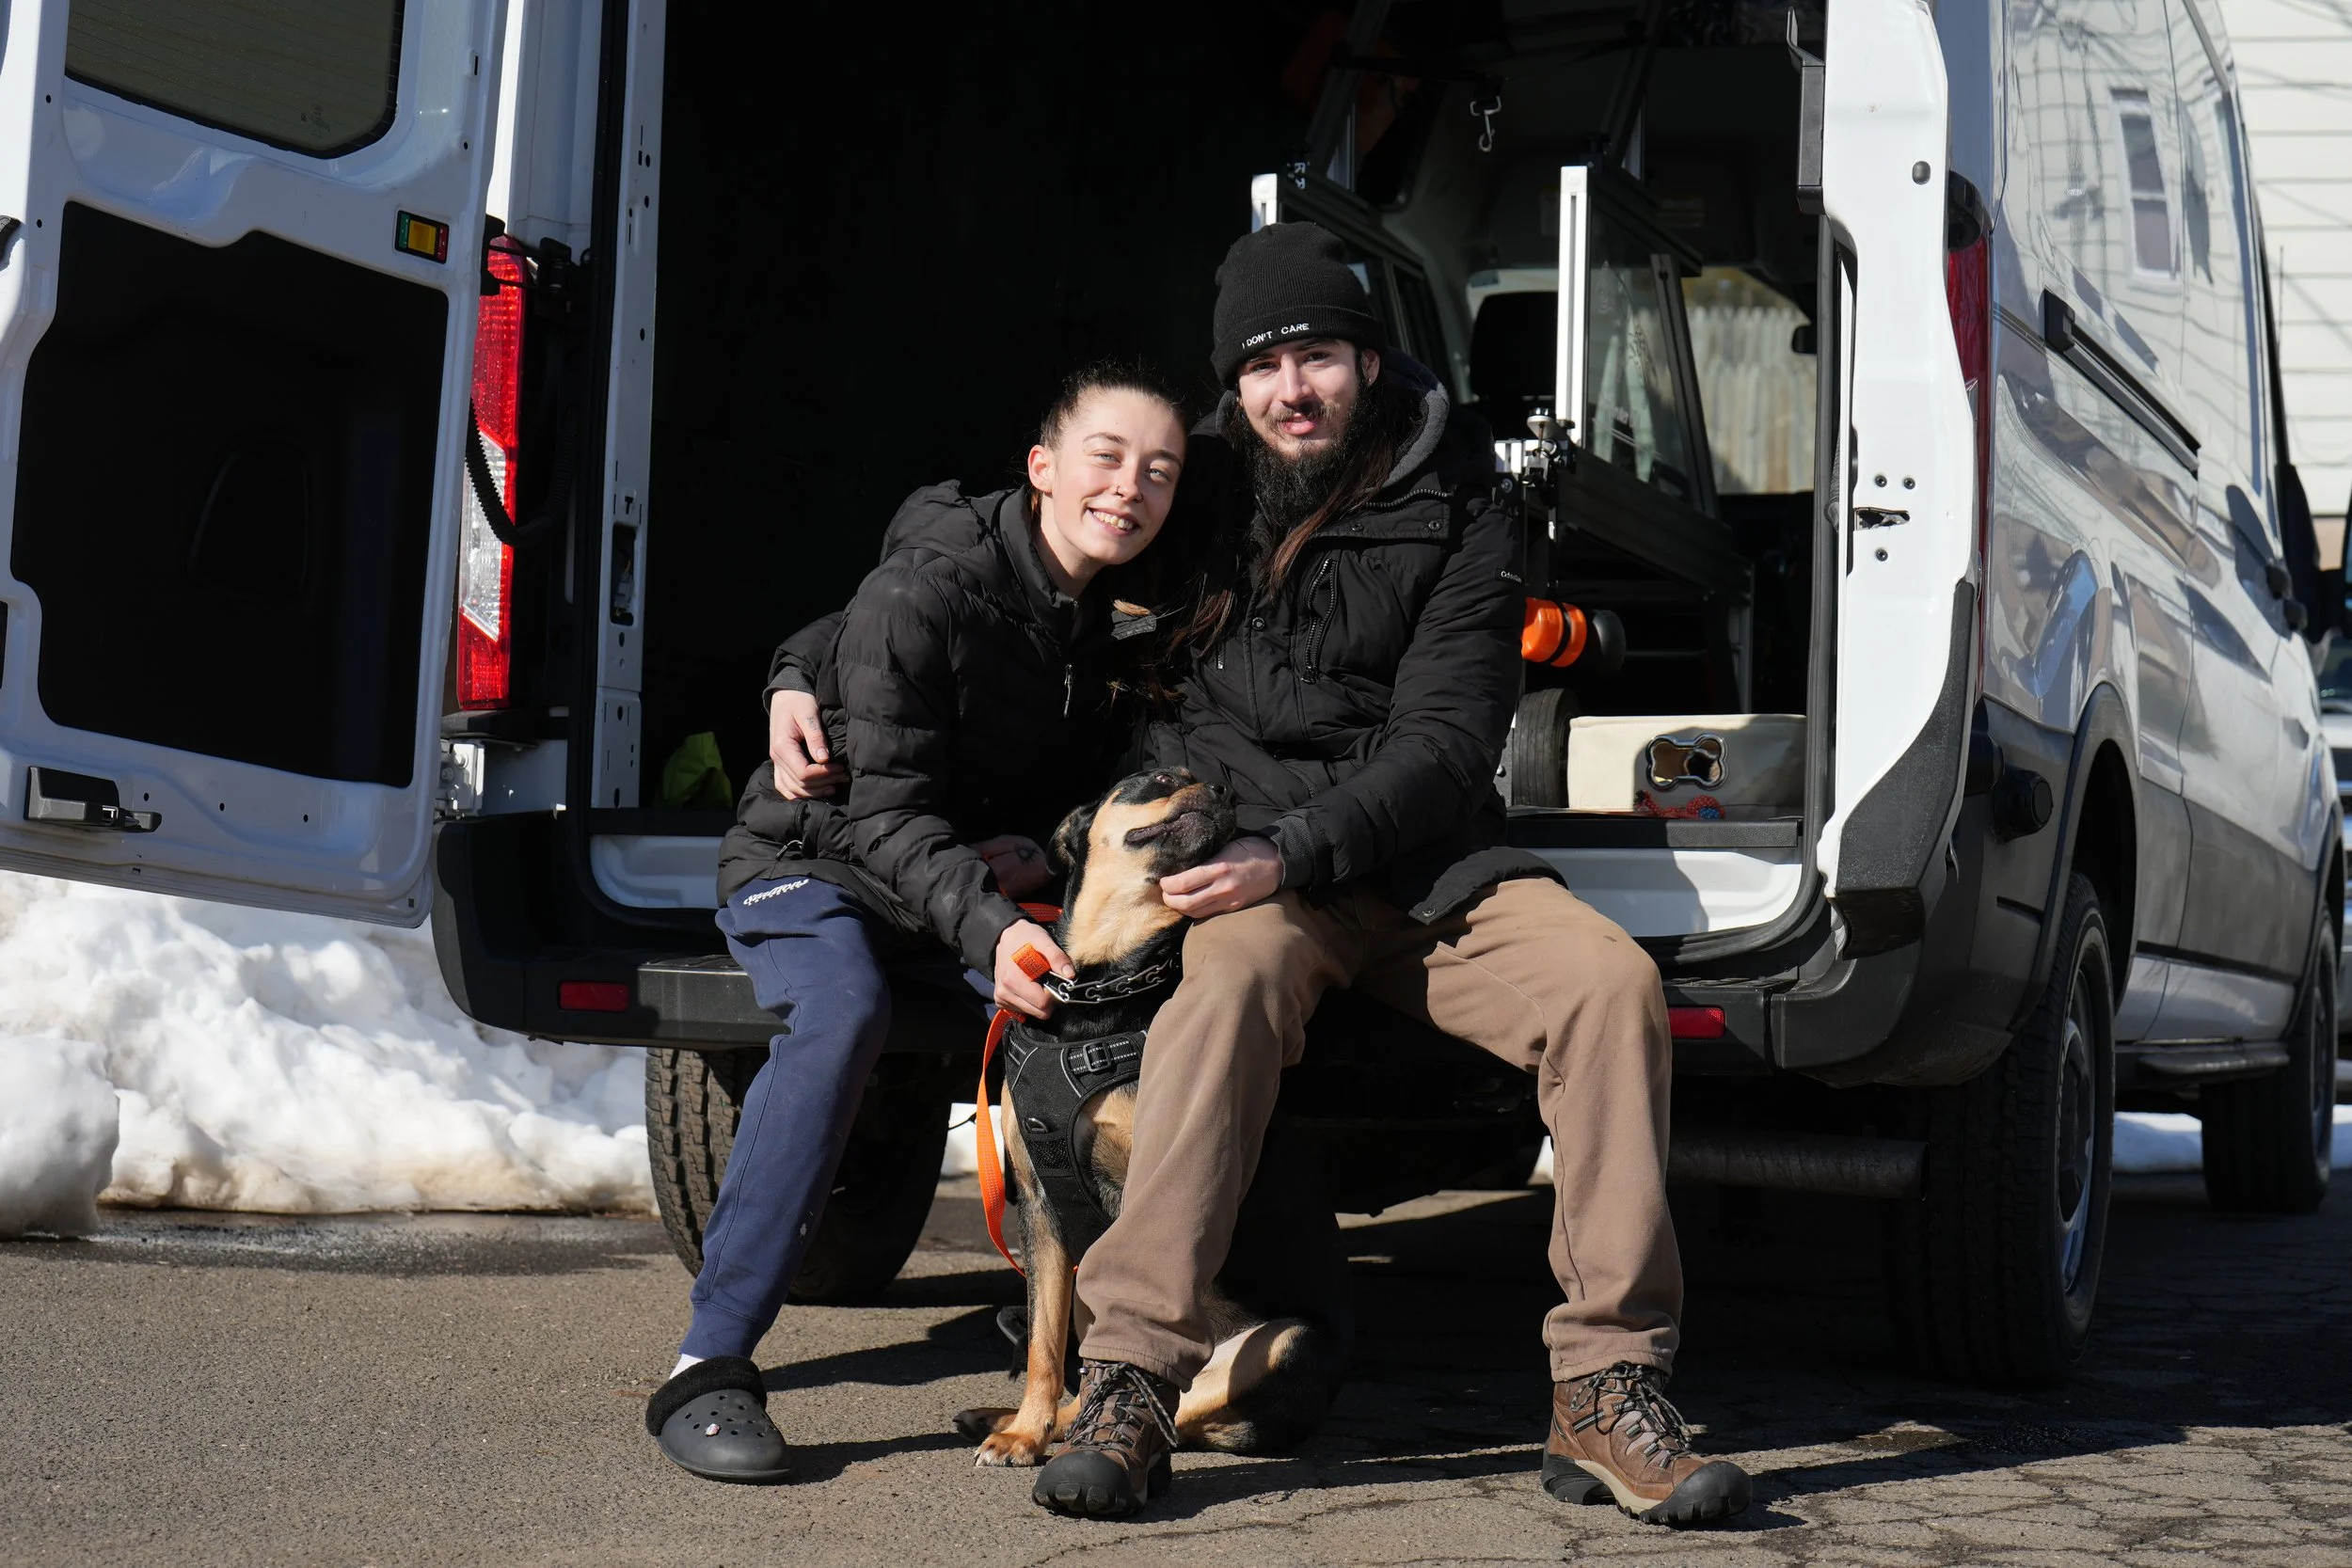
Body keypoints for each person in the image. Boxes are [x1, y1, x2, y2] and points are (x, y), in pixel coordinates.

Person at [1019, 223, 1754, 1526]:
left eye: (1316, 356)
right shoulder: (1191, 492)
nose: (1290, 388)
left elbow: (1446, 742)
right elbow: (1001, 551)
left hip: (1415, 860)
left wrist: (1287, 847)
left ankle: (1604, 1387)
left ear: (1368, 358)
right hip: (1253, 873)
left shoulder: (1462, 505)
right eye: (1261, 367)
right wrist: (806, 668)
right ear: (1233, 387)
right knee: (1225, 996)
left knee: (1608, 985)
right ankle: (1132, 1373)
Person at [644, 364, 1188, 1484]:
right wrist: (991, 924)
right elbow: (884, 813)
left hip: (953, 886)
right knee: (845, 1008)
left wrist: (1040, 857)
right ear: (1041, 466)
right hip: (820, 858)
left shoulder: (1117, 617)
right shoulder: (930, 587)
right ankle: (708, 1363)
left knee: (1103, 1024)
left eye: (1159, 471)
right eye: (1104, 455)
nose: (1128, 486)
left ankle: (1099, 1324)